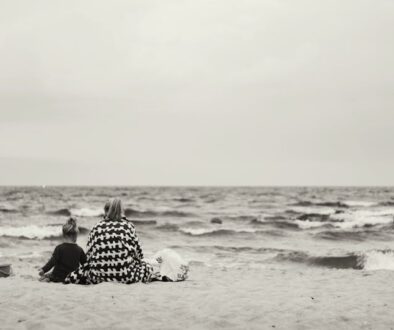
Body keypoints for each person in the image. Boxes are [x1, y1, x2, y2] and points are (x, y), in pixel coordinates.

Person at [64, 198, 153, 284]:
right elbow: (140, 255)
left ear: (106, 211)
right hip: (126, 276)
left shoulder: (97, 227)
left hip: (97, 276)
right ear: (121, 211)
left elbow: (89, 255)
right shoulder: (128, 226)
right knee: (148, 267)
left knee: (78, 273)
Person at [39, 218, 87, 282]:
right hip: (71, 277)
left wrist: (43, 270)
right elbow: (85, 265)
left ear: (64, 235)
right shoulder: (79, 249)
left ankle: (48, 279)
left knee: (43, 277)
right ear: (76, 235)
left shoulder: (59, 248)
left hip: (57, 276)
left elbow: (52, 262)